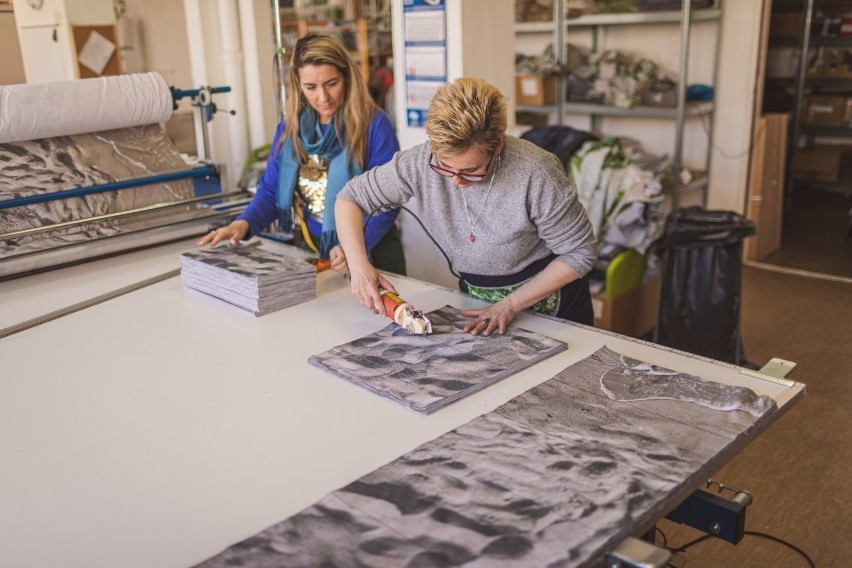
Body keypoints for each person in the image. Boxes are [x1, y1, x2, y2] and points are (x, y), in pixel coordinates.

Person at [335, 77, 597, 335]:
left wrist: (510, 304)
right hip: (478, 303)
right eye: (444, 166)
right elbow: (350, 199)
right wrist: (360, 268)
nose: (456, 180)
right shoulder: (418, 163)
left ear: (499, 146)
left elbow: (580, 253)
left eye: (472, 170)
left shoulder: (536, 172)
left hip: (553, 308)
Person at [198, 33, 406, 275]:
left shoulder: (374, 125)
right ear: (297, 85)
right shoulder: (290, 129)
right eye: (311, 87)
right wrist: (242, 223)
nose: (323, 97)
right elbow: (271, 191)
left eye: (332, 84)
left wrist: (354, 249)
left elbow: (388, 202)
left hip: (373, 249)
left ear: (347, 78)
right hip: (314, 247)